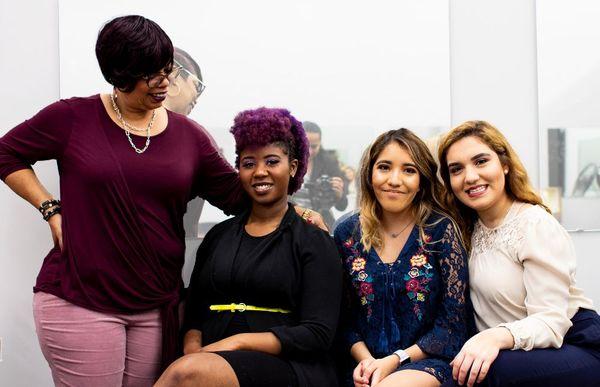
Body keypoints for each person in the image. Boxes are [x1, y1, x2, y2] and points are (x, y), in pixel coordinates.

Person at [0, 15, 322, 386]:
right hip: (81, 298)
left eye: (167, 70)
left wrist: (300, 215)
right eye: (151, 74)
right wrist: (49, 207)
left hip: (155, 306)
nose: (164, 82)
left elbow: (238, 196)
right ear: (119, 75)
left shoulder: (189, 136)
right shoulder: (72, 117)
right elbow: (7, 154)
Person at [155, 107, 342, 387]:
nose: (260, 172)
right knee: (187, 369)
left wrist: (238, 342)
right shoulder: (219, 236)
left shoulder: (313, 240)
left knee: (187, 374)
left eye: (271, 161)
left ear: (293, 167)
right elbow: (195, 309)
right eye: (248, 163)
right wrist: (192, 348)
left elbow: (318, 332)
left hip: (290, 363)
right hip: (209, 358)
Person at [437, 120, 600, 387]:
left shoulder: (534, 224)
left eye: (480, 161)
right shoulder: (466, 228)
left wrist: (493, 337)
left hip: (574, 344)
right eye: (456, 169)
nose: (470, 176)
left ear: (504, 164)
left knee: (478, 374)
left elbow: (550, 322)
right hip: (522, 350)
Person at [334, 129, 472, 387]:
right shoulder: (346, 233)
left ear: (422, 180)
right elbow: (342, 319)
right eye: (384, 167)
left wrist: (394, 360)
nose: (394, 180)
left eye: (408, 170)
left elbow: (452, 324)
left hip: (427, 362)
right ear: (369, 174)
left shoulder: (440, 231)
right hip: (361, 365)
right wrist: (368, 362)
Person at [163, 47, 207, 238]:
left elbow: (237, 195)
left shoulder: (197, 140)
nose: (197, 98)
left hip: (176, 255)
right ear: (174, 74)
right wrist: (57, 210)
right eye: (198, 86)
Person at [291, 121, 348, 229]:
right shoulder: (285, 160)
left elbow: (342, 205)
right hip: (291, 222)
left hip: (321, 223)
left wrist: (339, 195)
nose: (309, 151)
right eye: (306, 145)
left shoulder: (329, 162)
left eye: (314, 146)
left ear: (320, 143)